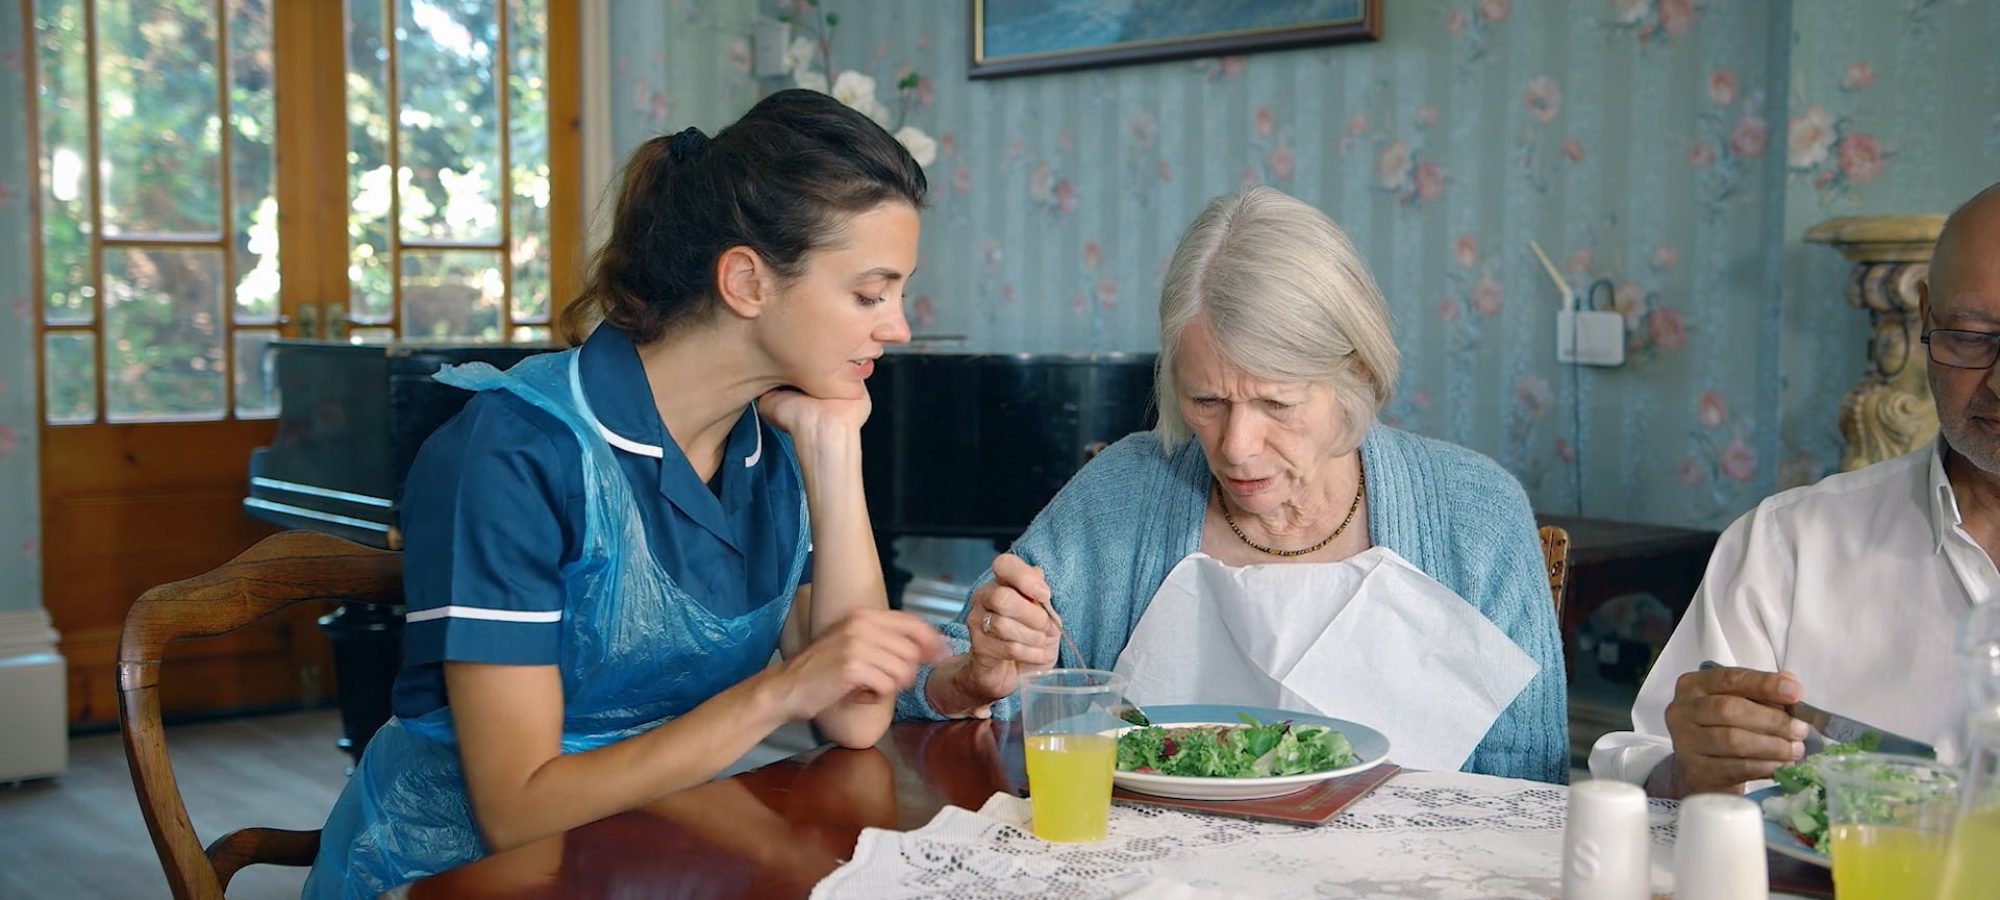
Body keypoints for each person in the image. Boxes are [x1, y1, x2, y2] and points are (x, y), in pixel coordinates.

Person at [306, 89, 947, 896]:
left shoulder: (767, 445)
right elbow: (516, 812)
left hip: (660, 854)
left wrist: (832, 451)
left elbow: (855, 716)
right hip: (457, 876)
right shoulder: (515, 453)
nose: (899, 328)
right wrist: (779, 691)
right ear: (747, 281)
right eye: (869, 293)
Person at [898, 187, 1569, 783]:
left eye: (1277, 404)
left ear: (1356, 374)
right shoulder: (1122, 492)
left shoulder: (1475, 513)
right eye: (1208, 401)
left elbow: (1532, 791)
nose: (1237, 448)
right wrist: (978, 676)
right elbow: (933, 686)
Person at [1589, 181, 2000, 797]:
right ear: (1925, 317)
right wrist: (1692, 769)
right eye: (1970, 338)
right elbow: (1649, 766)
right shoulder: (1789, 543)